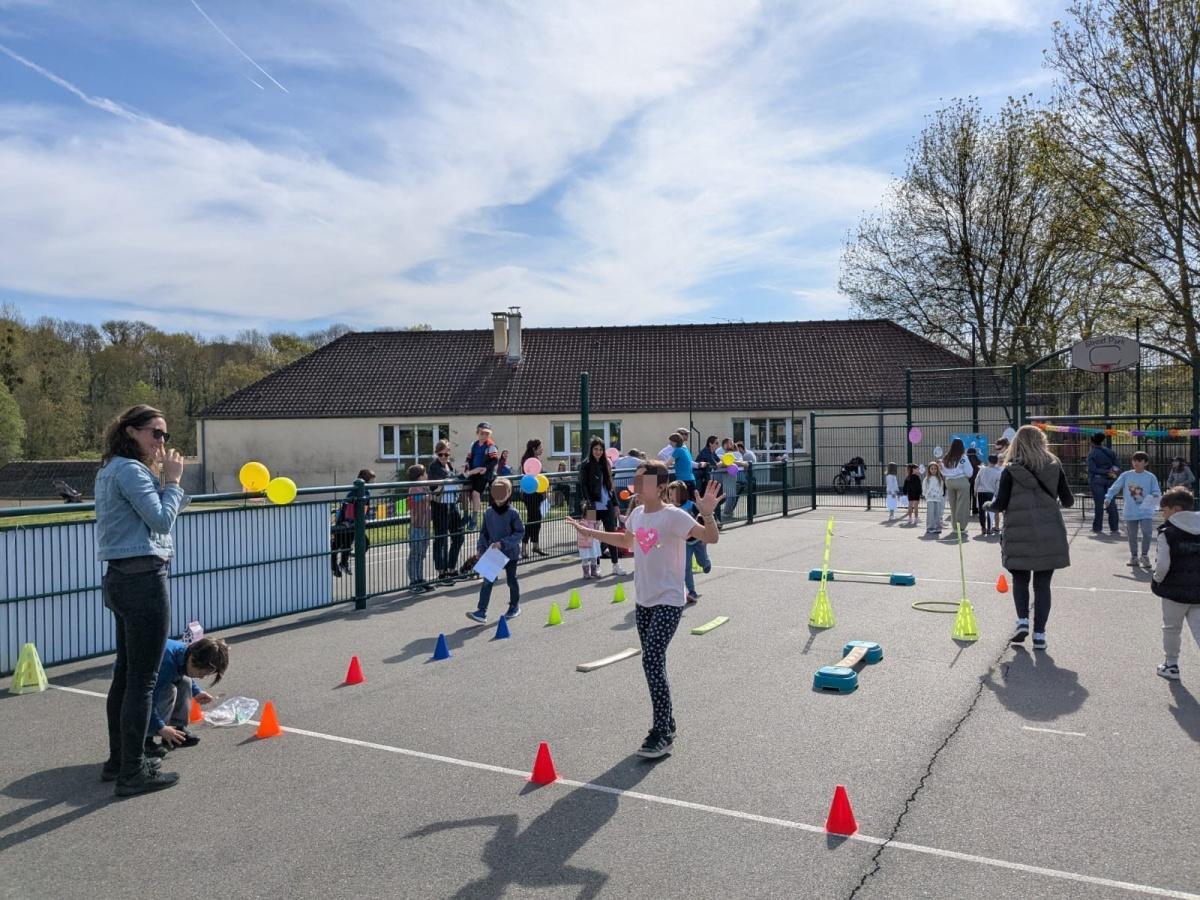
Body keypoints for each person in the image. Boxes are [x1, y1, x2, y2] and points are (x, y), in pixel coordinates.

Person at [565, 460, 721, 758]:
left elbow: (710, 537)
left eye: (643, 481)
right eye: (635, 480)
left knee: (650, 659)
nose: (636, 486)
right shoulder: (636, 514)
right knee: (655, 663)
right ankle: (669, 722)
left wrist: (708, 513)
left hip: (669, 601)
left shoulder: (673, 516)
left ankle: (661, 731)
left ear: (661, 486)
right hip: (643, 602)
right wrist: (590, 532)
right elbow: (626, 541)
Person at [95, 405, 188, 796]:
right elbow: (161, 520)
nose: (161, 442)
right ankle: (132, 772)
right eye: (155, 433)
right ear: (131, 431)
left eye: (164, 435)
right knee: (142, 680)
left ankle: (120, 760)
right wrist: (173, 483)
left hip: (120, 578)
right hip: (143, 580)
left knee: (126, 674)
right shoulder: (132, 471)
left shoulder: (109, 469)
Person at [984, 424, 1074, 650]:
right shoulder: (1054, 465)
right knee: (1043, 585)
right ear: (1041, 440)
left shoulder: (1011, 470)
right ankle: (1040, 634)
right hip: (1049, 532)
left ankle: (1022, 620)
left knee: (1020, 580)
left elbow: (1000, 503)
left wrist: (987, 504)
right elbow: (1068, 500)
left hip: (1018, 531)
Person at [146, 636, 229, 754]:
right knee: (169, 690)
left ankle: (176, 729)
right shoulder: (165, 664)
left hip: (157, 676)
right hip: (130, 680)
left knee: (186, 681)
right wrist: (161, 727)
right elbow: (147, 701)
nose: (201, 677)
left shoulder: (185, 654)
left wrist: (197, 691)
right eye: (201, 672)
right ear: (192, 659)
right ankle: (145, 740)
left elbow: (182, 672)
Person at [1150, 486, 1200, 680]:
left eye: (1165, 509)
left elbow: (1162, 564)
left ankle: (1171, 665)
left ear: (1176, 509)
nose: (1163, 513)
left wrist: (1157, 580)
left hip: (1174, 590)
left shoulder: (1167, 532)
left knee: (1171, 628)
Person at [466, 478, 524, 623]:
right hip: (493, 553)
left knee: (511, 580)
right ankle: (481, 611)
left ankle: (514, 606)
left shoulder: (513, 513)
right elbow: (484, 533)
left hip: (510, 553)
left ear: (509, 493)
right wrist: (481, 548)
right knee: (487, 582)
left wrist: (503, 543)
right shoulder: (488, 512)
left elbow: (519, 533)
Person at [1104, 451, 1162, 568]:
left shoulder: (1151, 477)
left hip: (1146, 511)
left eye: (1139, 461)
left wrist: (1156, 496)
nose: (1136, 463)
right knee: (1132, 535)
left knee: (1147, 533)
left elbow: (1156, 491)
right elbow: (1115, 487)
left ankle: (1144, 556)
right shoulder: (1126, 475)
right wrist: (1108, 498)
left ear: (1145, 463)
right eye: (1134, 460)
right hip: (1130, 510)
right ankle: (1134, 557)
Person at [579, 437, 626, 576]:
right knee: (593, 536)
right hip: (592, 505)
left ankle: (615, 565)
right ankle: (596, 566)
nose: (598, 452)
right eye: (595, 449)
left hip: (607, 505)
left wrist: (616, 503)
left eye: (600, 449)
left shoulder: (606, 464)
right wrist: (589, 502)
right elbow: (584, 486)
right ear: (591, 450)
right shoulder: (585, 465)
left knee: (610, 534)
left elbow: (610, 485)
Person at [429, 441, 465, 582]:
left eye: (446, 454)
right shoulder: (434, 467)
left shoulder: (449, 465)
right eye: (441, 454)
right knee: (441, 538)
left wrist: (462, 475)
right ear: (436, 454)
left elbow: (454, 481)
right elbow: (447, 480)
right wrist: (463, 475)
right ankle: (441, 571)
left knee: (458, 536)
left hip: (452, 504)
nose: (444, 456)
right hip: (440, 506)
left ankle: (451, 567)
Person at [670, 480, 711, 603]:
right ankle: (691, 591)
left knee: (701, 561)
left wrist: (705, 538)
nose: (670, 496)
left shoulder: (691, 505)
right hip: (683, 542)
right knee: (686, 567)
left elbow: (703, 519)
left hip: (698, 540)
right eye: (669, 494)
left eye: (673, 493)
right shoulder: (670, 509)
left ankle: (706, 563)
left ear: (681, 494)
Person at [332, 469, 376, 577]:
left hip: (355, 522)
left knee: (348, 543)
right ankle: (333, 565)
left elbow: (365, 506)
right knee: (337, 544)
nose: (373, 483)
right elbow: (348, 507)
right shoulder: (354, 491)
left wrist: (363, 518)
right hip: (344, 521)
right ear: (366, 480)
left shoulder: (367, 492)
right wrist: (346, 521)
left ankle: (343, 563)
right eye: (372, 480)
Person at [464, 422, 500, 530]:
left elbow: (495, 460)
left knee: (476, 493)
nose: (484, 436)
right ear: (477, 432)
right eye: (482, 433)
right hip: (473, 472)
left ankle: (474, 519)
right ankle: (466, 516)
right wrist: (466, 463)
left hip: (483, 474)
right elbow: (469, 457)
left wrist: (486, 468)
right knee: (465, 492)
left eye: (486, 434)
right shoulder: (473, 444)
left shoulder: (491, 446)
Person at [519, 439, 549, 559]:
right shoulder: (530, 461)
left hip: (537, 493)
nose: (542, 449)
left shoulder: (536, 460)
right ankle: (524, 548)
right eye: (540, 447)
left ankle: (536, 545)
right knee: (532, 520)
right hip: (530, 494)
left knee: (537, 519)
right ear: (534, 449)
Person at [1086, 432, 1121, 534]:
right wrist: (1111, 472)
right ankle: (1114, 527)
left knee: (1099, 504)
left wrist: (1104, 471)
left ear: (1092, 442)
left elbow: (1092, 468)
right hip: (1110, 480)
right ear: (1102, 441)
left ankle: (1097, 527)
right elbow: (1117, 465)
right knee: (1111, 503)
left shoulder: (1092, 453)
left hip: (1097, 480)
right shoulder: (1110, 452)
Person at [941, 439, 973, 537]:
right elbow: (969, 472)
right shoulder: (963, 457)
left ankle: (954, 526)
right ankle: (961, 526)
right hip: (961, 480)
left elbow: (942, 470)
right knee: (962, 504)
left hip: (949, 482)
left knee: (953, 504)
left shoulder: (946, 457)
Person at [407, 464, 431, 589]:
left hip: (425, 524)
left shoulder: (424, 487)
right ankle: (413, 580)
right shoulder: (415, 488)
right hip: (417, 525)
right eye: (425, 473)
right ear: (420, 476)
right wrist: (435, 492)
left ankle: (420, 578)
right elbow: (420, 500)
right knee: (415, 553)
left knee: (421, 553)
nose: (427, 476)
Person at [974, 454, 1003, 536]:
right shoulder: (998, 472)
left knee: (981, 510)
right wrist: (997, 494)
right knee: (990, 511)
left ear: (988, 461)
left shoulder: (982, 470)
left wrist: (975, 490)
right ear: (996, 461)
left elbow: (977, 480)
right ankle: (990, 529)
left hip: (981, 491)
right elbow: (998, 484)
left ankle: (983, 528)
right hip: (991, 492)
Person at [667, 433, 697, 500]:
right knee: (692, 501)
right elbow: (683, 463)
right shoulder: (685, 449)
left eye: (671, 442)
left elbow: (667, 464)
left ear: (675, 442)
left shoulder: (677, 450)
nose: (670, 444)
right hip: (691, 479)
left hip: (683, 480)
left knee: (682, 501)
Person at [577, 507, 602, 578]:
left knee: (594, 557)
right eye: (591, 513)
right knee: (585, 558)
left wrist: (597, 525)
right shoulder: (583, 522)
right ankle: (586, 573)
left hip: (593, 542)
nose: (592, 515)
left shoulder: (594, 522)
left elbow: (595, 530)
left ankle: (593, 572)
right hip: (585, 543)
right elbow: (587, 531)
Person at [923, 461, 946, 535]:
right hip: (930, 499)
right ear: (929, 470)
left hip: (938, 499)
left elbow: (941, 488)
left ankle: (937, 527)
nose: (933, 470)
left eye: (935, 469)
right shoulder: (927, 479)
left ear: (937, 470)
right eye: (932, 469)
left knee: (937, 513)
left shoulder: (940, 479)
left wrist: (939, 495)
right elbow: (924, 488)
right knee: (930, 513)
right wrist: (926, 495)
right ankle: (930, 528)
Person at [966, 447, 981, 514]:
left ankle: (967, 509)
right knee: (975, 496)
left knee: (967, 496)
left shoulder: (966, 460)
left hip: (967, 480)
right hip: (975, 481)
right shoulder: (978, 461)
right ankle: (975, 510)